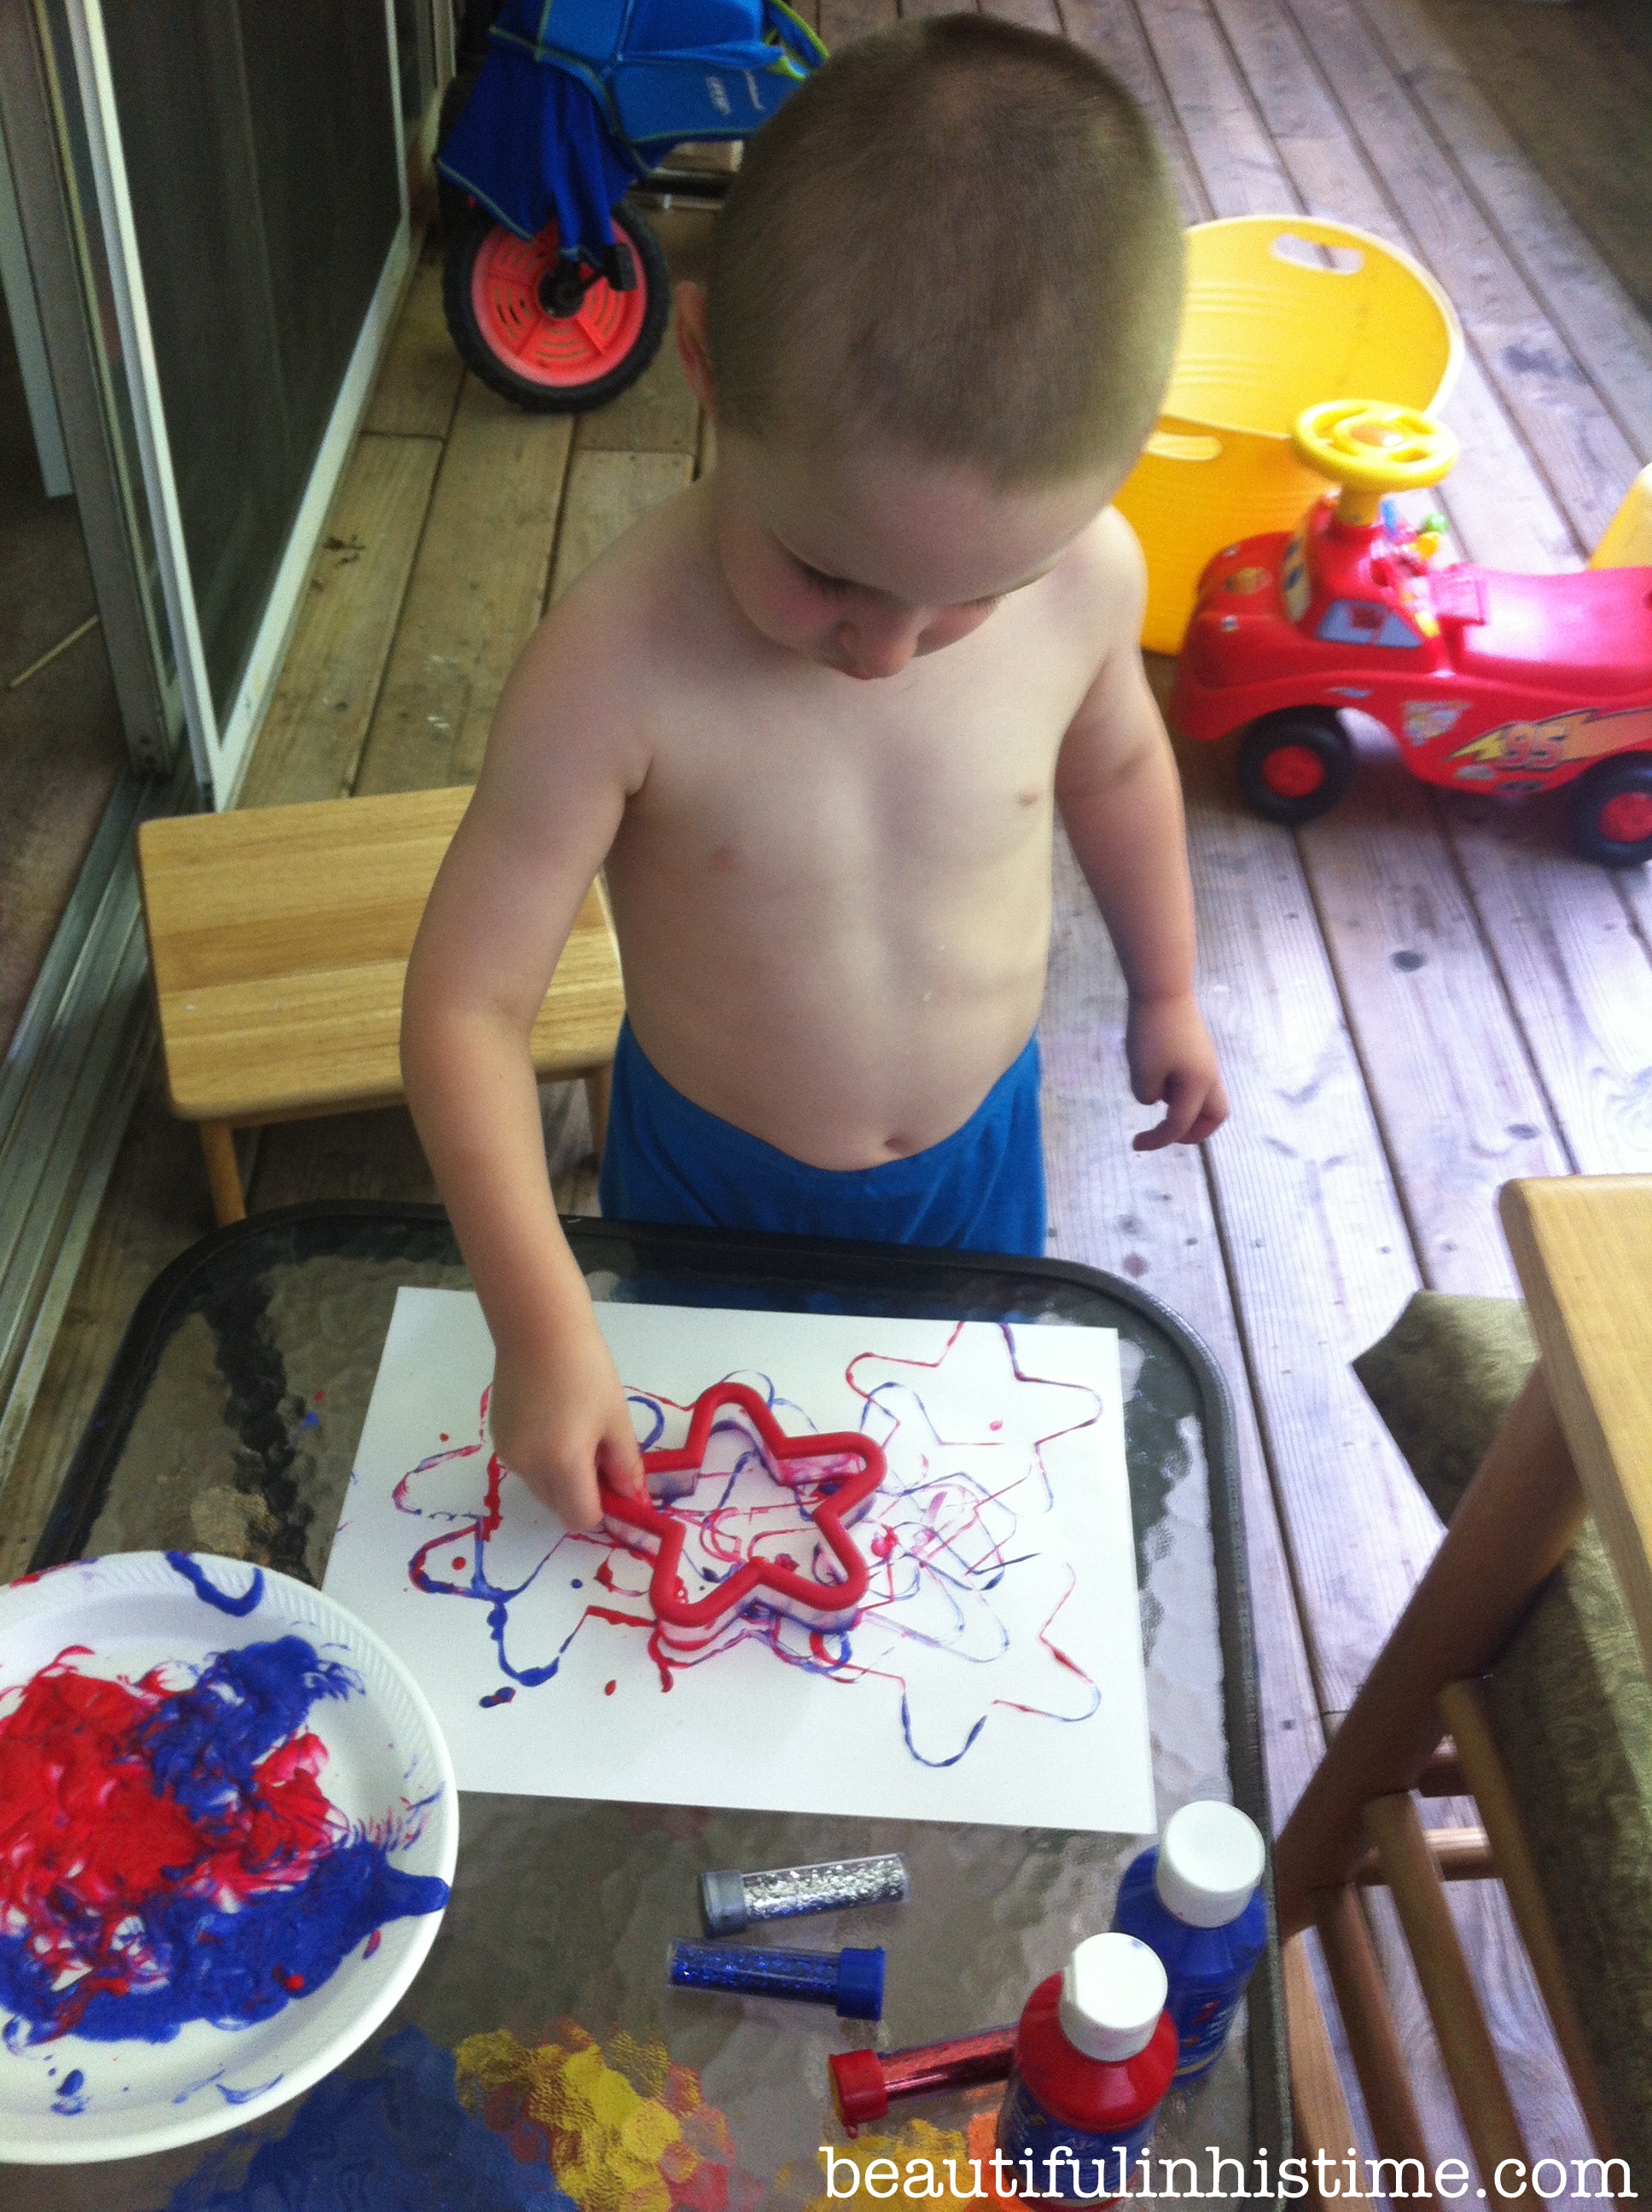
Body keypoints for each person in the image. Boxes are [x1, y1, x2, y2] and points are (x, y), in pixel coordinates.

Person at [401, 15, 1229, 1533]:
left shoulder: (1087, 578)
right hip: (710, 1184)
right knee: (684, 1537)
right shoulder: (615, 666)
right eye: (831, 572)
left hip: (981, 1161)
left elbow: (1114, 764)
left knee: (936, 1519)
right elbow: (465, 1004)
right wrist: (535, 1319)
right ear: (703, 363)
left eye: (974, 593)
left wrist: (1168, 986)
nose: (889, 654)